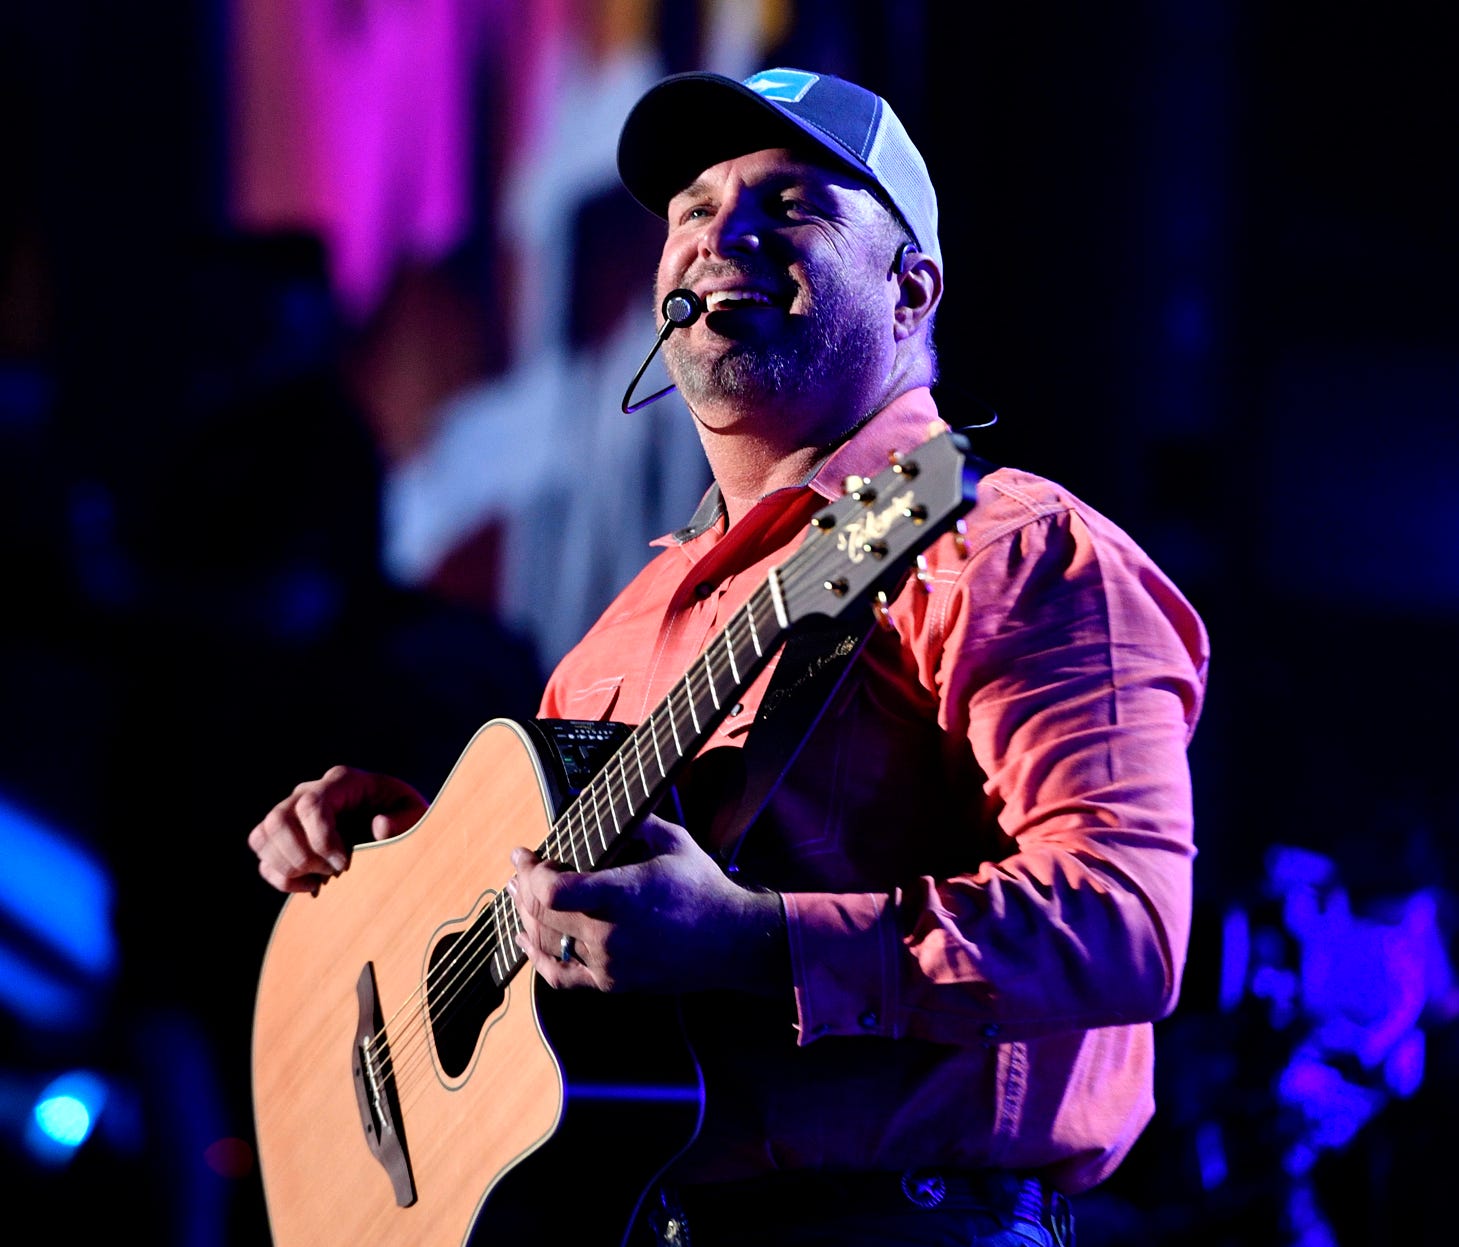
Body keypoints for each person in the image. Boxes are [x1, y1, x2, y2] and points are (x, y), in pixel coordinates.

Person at [249, 67, 1210, 1247]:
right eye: (694, 207)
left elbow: (1125, 923)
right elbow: (555, 970)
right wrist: (408, 876)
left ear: (911, 292)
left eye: (794, 203)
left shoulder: (1003, 545)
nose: (724, 232)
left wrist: (755, 941)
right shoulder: (628, 622)